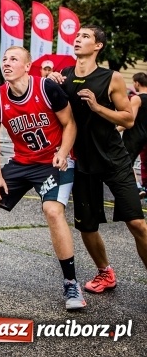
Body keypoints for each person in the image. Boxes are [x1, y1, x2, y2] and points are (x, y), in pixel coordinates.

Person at [0, 46, 85, 310]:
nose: (7, 63)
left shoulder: (47, 89)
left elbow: (70, 124)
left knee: (53, 211)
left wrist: (64, 152)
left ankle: (71, 282)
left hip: (54, 161)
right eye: (4, 59)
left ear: (26, 65)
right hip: (22, 163)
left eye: (14, 59)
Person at [50, 25, 147, 294]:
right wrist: (52, 82)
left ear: (98, 46)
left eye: (85, 37)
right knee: (87, 226)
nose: (78, 39)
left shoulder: (111, 78)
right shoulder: (65, 77)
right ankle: (105, 272)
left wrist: (97, 107)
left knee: (137, 223)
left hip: (114, 159)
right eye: (77, 36)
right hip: (82, 162)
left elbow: (128, 119)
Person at [119, 72, 147, 197]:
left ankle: (136, 188)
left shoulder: (137, 98)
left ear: (137, 83)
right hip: (145, 135)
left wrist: (116, 129)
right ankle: (139, 188)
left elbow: (129, 120)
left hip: (135, 135)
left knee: (126, 162)